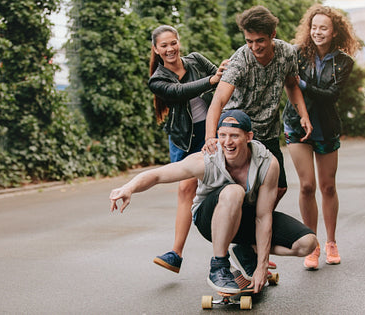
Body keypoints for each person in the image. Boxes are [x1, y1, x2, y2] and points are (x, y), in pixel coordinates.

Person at [110, 110, 317, 293]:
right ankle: (219, 266)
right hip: (209, 219)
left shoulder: (267, 163)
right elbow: (158, 175)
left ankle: (246, 248)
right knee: (234, 191)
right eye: (222, 135)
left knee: (307, 243)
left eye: (234, 136)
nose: (227, 142)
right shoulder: (205, 160)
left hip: (246, 218)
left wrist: (261, 265)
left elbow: (263, 217)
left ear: (248, 137)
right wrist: (129, 188)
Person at [202, 5, 313, 207]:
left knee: (279, 187)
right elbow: (218, 100)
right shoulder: (240, 60)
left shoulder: (287, 53)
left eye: (260, 40)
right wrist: (211, 136)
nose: (254, 47)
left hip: (268, 130)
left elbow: (291, 85)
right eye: (249, 41)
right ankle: (243, 227)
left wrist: (303, 115)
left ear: (272, 34)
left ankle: (255, 224)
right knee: (244, 186)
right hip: (239, 131)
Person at [282, 5, 360, 270]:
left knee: (328, 187)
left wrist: (302, 83)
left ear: (334, 31)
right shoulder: (296, 54)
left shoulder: (344, 61)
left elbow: (331, 95)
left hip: (326, 128)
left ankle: (332, 242)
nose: (317, 32)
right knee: (306, 186)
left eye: (323, 28)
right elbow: (287, 83)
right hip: (296, 125)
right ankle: (312, 245)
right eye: (314, 27)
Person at [148, 25, 227, 273]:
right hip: (183, 138)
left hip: (211, 130)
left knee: (227, 187)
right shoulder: (157, 79)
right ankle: (176, 254)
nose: (170, 49)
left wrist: (222, 72)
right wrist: (210, 80)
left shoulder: (196, 60)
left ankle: (249, 249)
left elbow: (222, 80)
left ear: (179, 42)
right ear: (156, 49)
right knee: (185, 190)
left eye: (173, 43)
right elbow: (179, 92)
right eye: (164, 45)